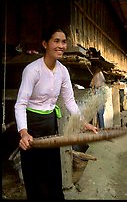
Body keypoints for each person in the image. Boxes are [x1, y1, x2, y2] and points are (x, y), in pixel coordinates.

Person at [14, 25, 98, 201]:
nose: (61, 46)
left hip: (50, 122)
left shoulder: (62, 71)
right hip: (32, 124)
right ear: (45, 44)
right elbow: (20, 103)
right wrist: (24, 132)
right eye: (56, 41)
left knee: (52, 170)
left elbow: (69, 101)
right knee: (34, 172)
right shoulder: (32, 70)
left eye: (64, 42)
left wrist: (84, 122)